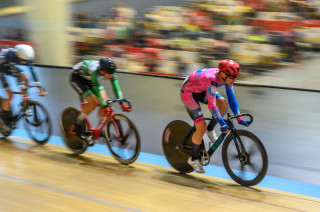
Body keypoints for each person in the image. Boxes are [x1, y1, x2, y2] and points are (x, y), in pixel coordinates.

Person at [180, 59, 250, 173]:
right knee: (200, 127)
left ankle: (210, 129)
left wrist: (239, 118)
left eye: (236, 76)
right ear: (223, 74)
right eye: (233, 77)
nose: (234, 79)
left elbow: (231, 98)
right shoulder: (211, 79)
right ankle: (193, 159)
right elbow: (212, 106)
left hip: (201, 89)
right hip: (189, 93)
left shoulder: (226, 78)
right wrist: (222, 124)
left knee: (223, 104)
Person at [69, 57, 131, 137]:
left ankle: (99, 130)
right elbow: (97, 93)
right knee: (93, 103)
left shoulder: (110, 71)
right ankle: (77, 123)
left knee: (106, 102)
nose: (111, 75)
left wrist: (121, 103)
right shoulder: (94, 71)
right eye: (109, 73)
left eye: (112, 73)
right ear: (102, 71)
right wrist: (103, 104)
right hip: (77, 78)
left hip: (89, 78)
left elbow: (116, 86)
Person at [0, 44, 46, 131]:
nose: (26, 62)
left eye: (28, 60)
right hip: (1, 70)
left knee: (26, 77)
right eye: (24, 60)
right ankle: (5, 123)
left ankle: (24, 100)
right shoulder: (10, 57)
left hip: (9, 67)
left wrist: (39, 88)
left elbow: (32, 71)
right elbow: (17, 77)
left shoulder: (23, 56)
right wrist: (23, 93)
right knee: (10, 95)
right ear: (18, 57)